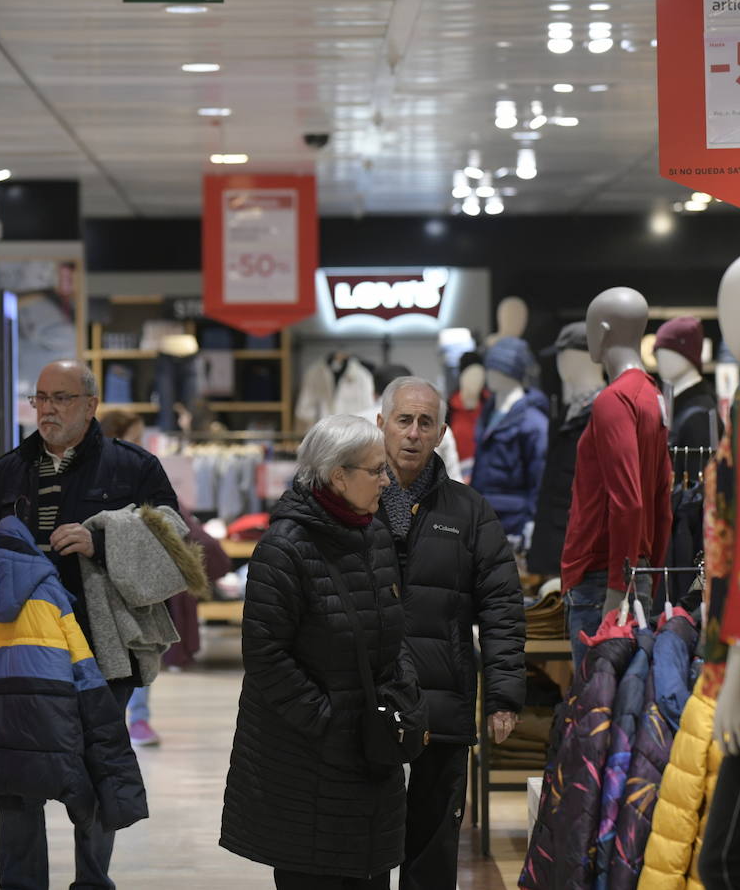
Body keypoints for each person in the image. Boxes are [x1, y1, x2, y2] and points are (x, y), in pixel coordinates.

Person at [0, 360, 178, 890]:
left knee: (97, 769)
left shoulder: (135, 467)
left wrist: (103, 540)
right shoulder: (6, 470)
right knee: (18, 772)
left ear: (90, 404)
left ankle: (92, 881)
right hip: (20, 648)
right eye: (40, 398)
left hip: (103, 650)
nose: (48, 409)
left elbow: (175, 543)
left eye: (60, 397)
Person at [221, 414, 418, 889]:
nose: (387, 481)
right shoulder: (283, 549)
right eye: (376, 471)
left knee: (371, 874)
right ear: (338, 476)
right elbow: (265, 655)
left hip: (371, 752)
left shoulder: (373, 535)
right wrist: (326, 719)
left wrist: (401, 691)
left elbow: (394, 625)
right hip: (305, 760)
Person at [373, 377, 526, 890]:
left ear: (441, 433)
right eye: (403, 421)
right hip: (366, 701)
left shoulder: (469, 511)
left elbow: (502, 606)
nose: (413, 434)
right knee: (366, 836)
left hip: (444, 698)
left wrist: (503, 694)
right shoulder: (353, 501)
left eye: (425, 423)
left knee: (435, 842)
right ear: (381, 424)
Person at [98, 409, 229, 748]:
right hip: (105, 577)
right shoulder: (96, 475)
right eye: (135, 437)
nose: (141, 445)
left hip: (141, 578)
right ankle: (117, 723)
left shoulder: (144, 473)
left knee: (142, 649)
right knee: (111, 655)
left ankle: (138, 720)